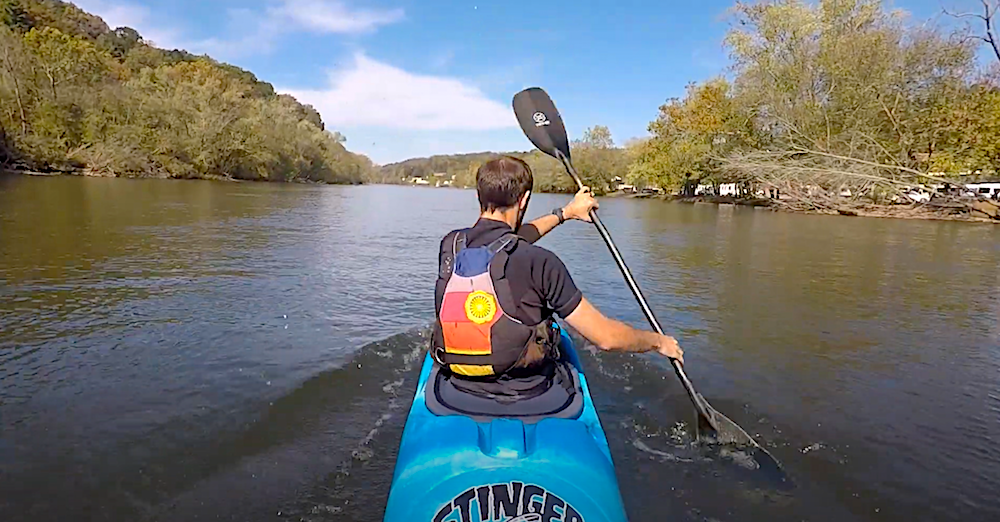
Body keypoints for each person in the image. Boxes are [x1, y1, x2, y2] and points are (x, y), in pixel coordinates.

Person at [431, 155, 683, 392]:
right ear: (524, 200)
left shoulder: (451, 245)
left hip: (456, 381)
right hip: (526, 389)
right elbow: (606, 338)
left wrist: (566, 213)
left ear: (479, 195)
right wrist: (658, 342)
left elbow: (504, 241)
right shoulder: (541, 262)